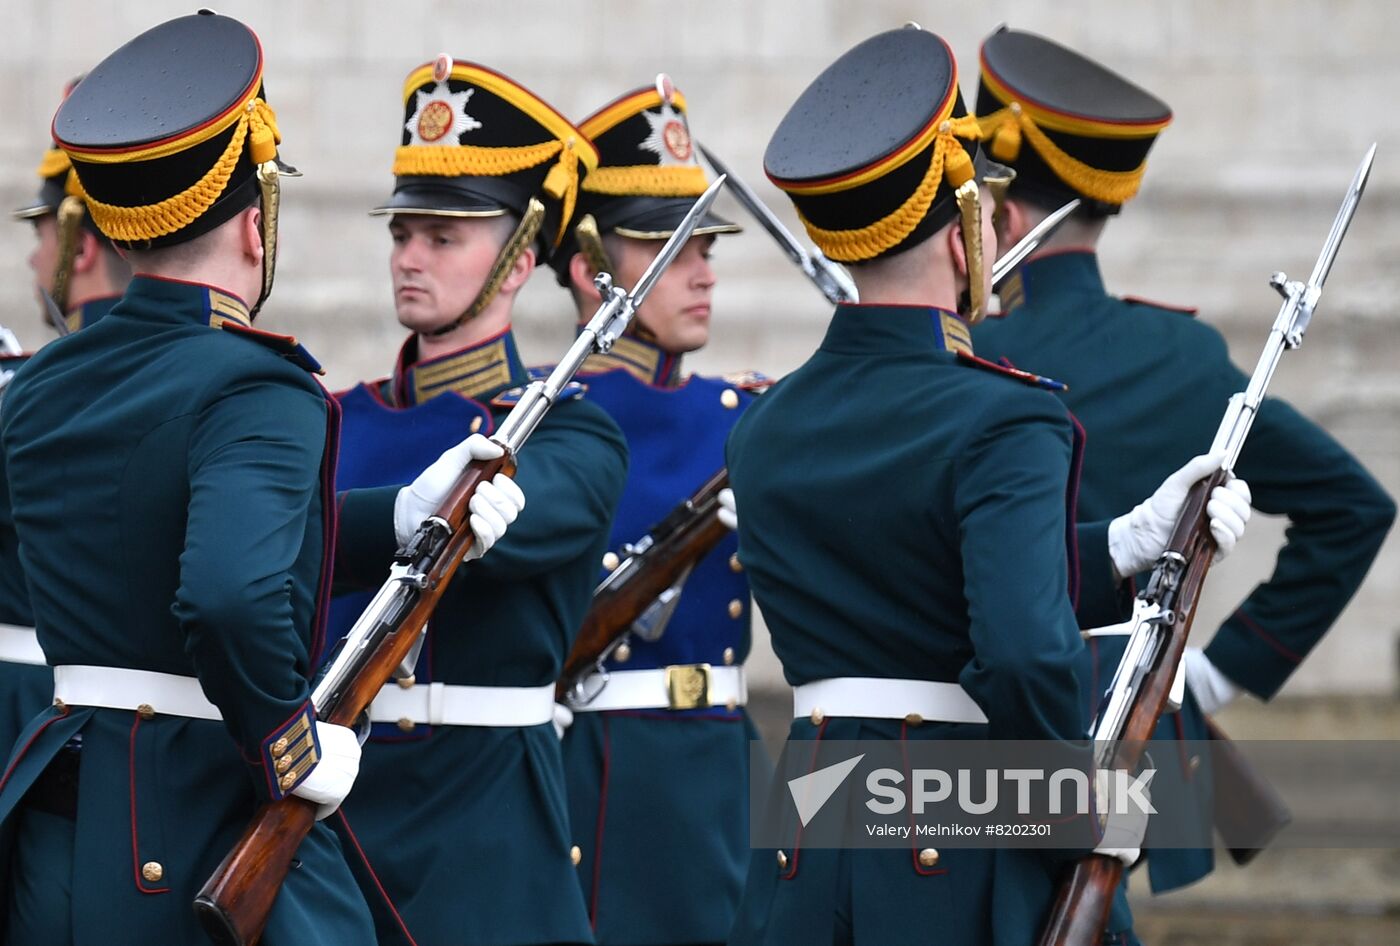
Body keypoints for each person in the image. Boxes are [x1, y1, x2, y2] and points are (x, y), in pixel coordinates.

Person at [721, 25, 1251, 946]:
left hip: (811, 831)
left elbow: (909, 577)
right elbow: (1021, 655)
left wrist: (1121, 545)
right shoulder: (1004, 419)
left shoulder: (765, 424)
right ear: (968, 222)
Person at [0, 13, 522, 945]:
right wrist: (289, 743)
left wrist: (395, 519)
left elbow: (142, 529)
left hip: (59, 807)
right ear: (257, 217)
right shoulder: (256, 383)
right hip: (194, 811)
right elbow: (226, 597)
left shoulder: (41, 382)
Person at [969, 26, 1396, 943]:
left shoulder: (970, 362)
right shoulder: (1182, 357)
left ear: (1004, 214)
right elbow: (1357, 507)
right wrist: (1217, 670)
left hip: (976, 737)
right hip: (1122, 719)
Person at [326, 54, 628, 946]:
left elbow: (548, 505)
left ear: (522, 259)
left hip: (487, 828)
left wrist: (490, 510)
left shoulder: (572, 432)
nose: (410, 258)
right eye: (402, 233)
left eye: (444, 237)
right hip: (339, 811)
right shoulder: (333, 421)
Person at [549, 76, 762, 946]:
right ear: (590, 271)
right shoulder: (540, 423)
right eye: (672, 251)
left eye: (706, 249)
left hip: (720, 763)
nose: (705, 274)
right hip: (597, 773)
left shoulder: (744, 417)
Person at [1, 77, 133, 778]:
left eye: (41, 233)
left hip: (19, 701)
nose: (31, 257)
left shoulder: (32, 390)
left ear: (80, 248)